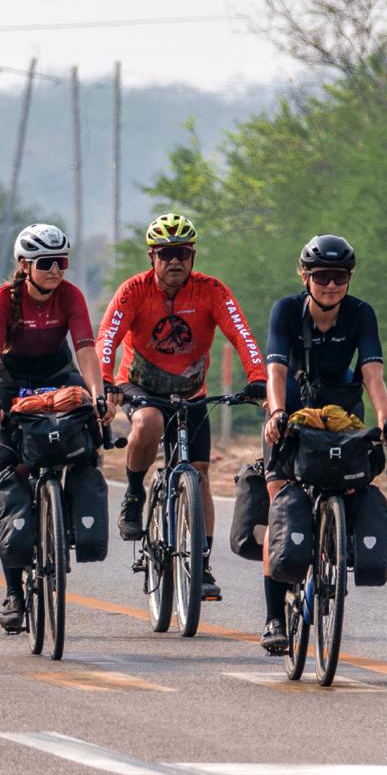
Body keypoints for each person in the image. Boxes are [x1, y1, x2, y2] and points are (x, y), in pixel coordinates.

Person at [97, 213, 267, 600]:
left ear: (193, 257)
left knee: (201, 473)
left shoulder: (211, 290)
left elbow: (241, 333)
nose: (175, 261)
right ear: (152, 257)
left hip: (191, 392)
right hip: (140, 385)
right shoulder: (133, 291)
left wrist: (257, 377)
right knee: (149, 424)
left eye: (183, 253)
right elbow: (107, 338)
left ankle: (202, 564)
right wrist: (105, 383)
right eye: (166, 253)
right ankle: (135, 492)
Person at [258, 234, 387, 652]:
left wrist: (384, 421)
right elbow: (276, 371)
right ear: (304, 276)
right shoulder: (286, 311)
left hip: (342, 420)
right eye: (322, 276)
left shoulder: (361, 314)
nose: (330, 285)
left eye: (339, 277)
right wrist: (274, 414)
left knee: (351, 487)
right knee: (281, 506)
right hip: (289, 417)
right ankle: (273, 618)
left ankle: (334, 541)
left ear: (349, 278)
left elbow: (373, 374)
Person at [0, 224, 113, 630]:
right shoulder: (6, 299)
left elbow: (86, 348)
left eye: (62, 262)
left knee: (86, 437)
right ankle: (14, 592)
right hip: (13, 377)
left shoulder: (70, 296)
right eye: (46, 264)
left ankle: (70, 516)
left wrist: (98, 393)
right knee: (12, 469)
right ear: (24, 266)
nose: (56, 271)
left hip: (58, 372)